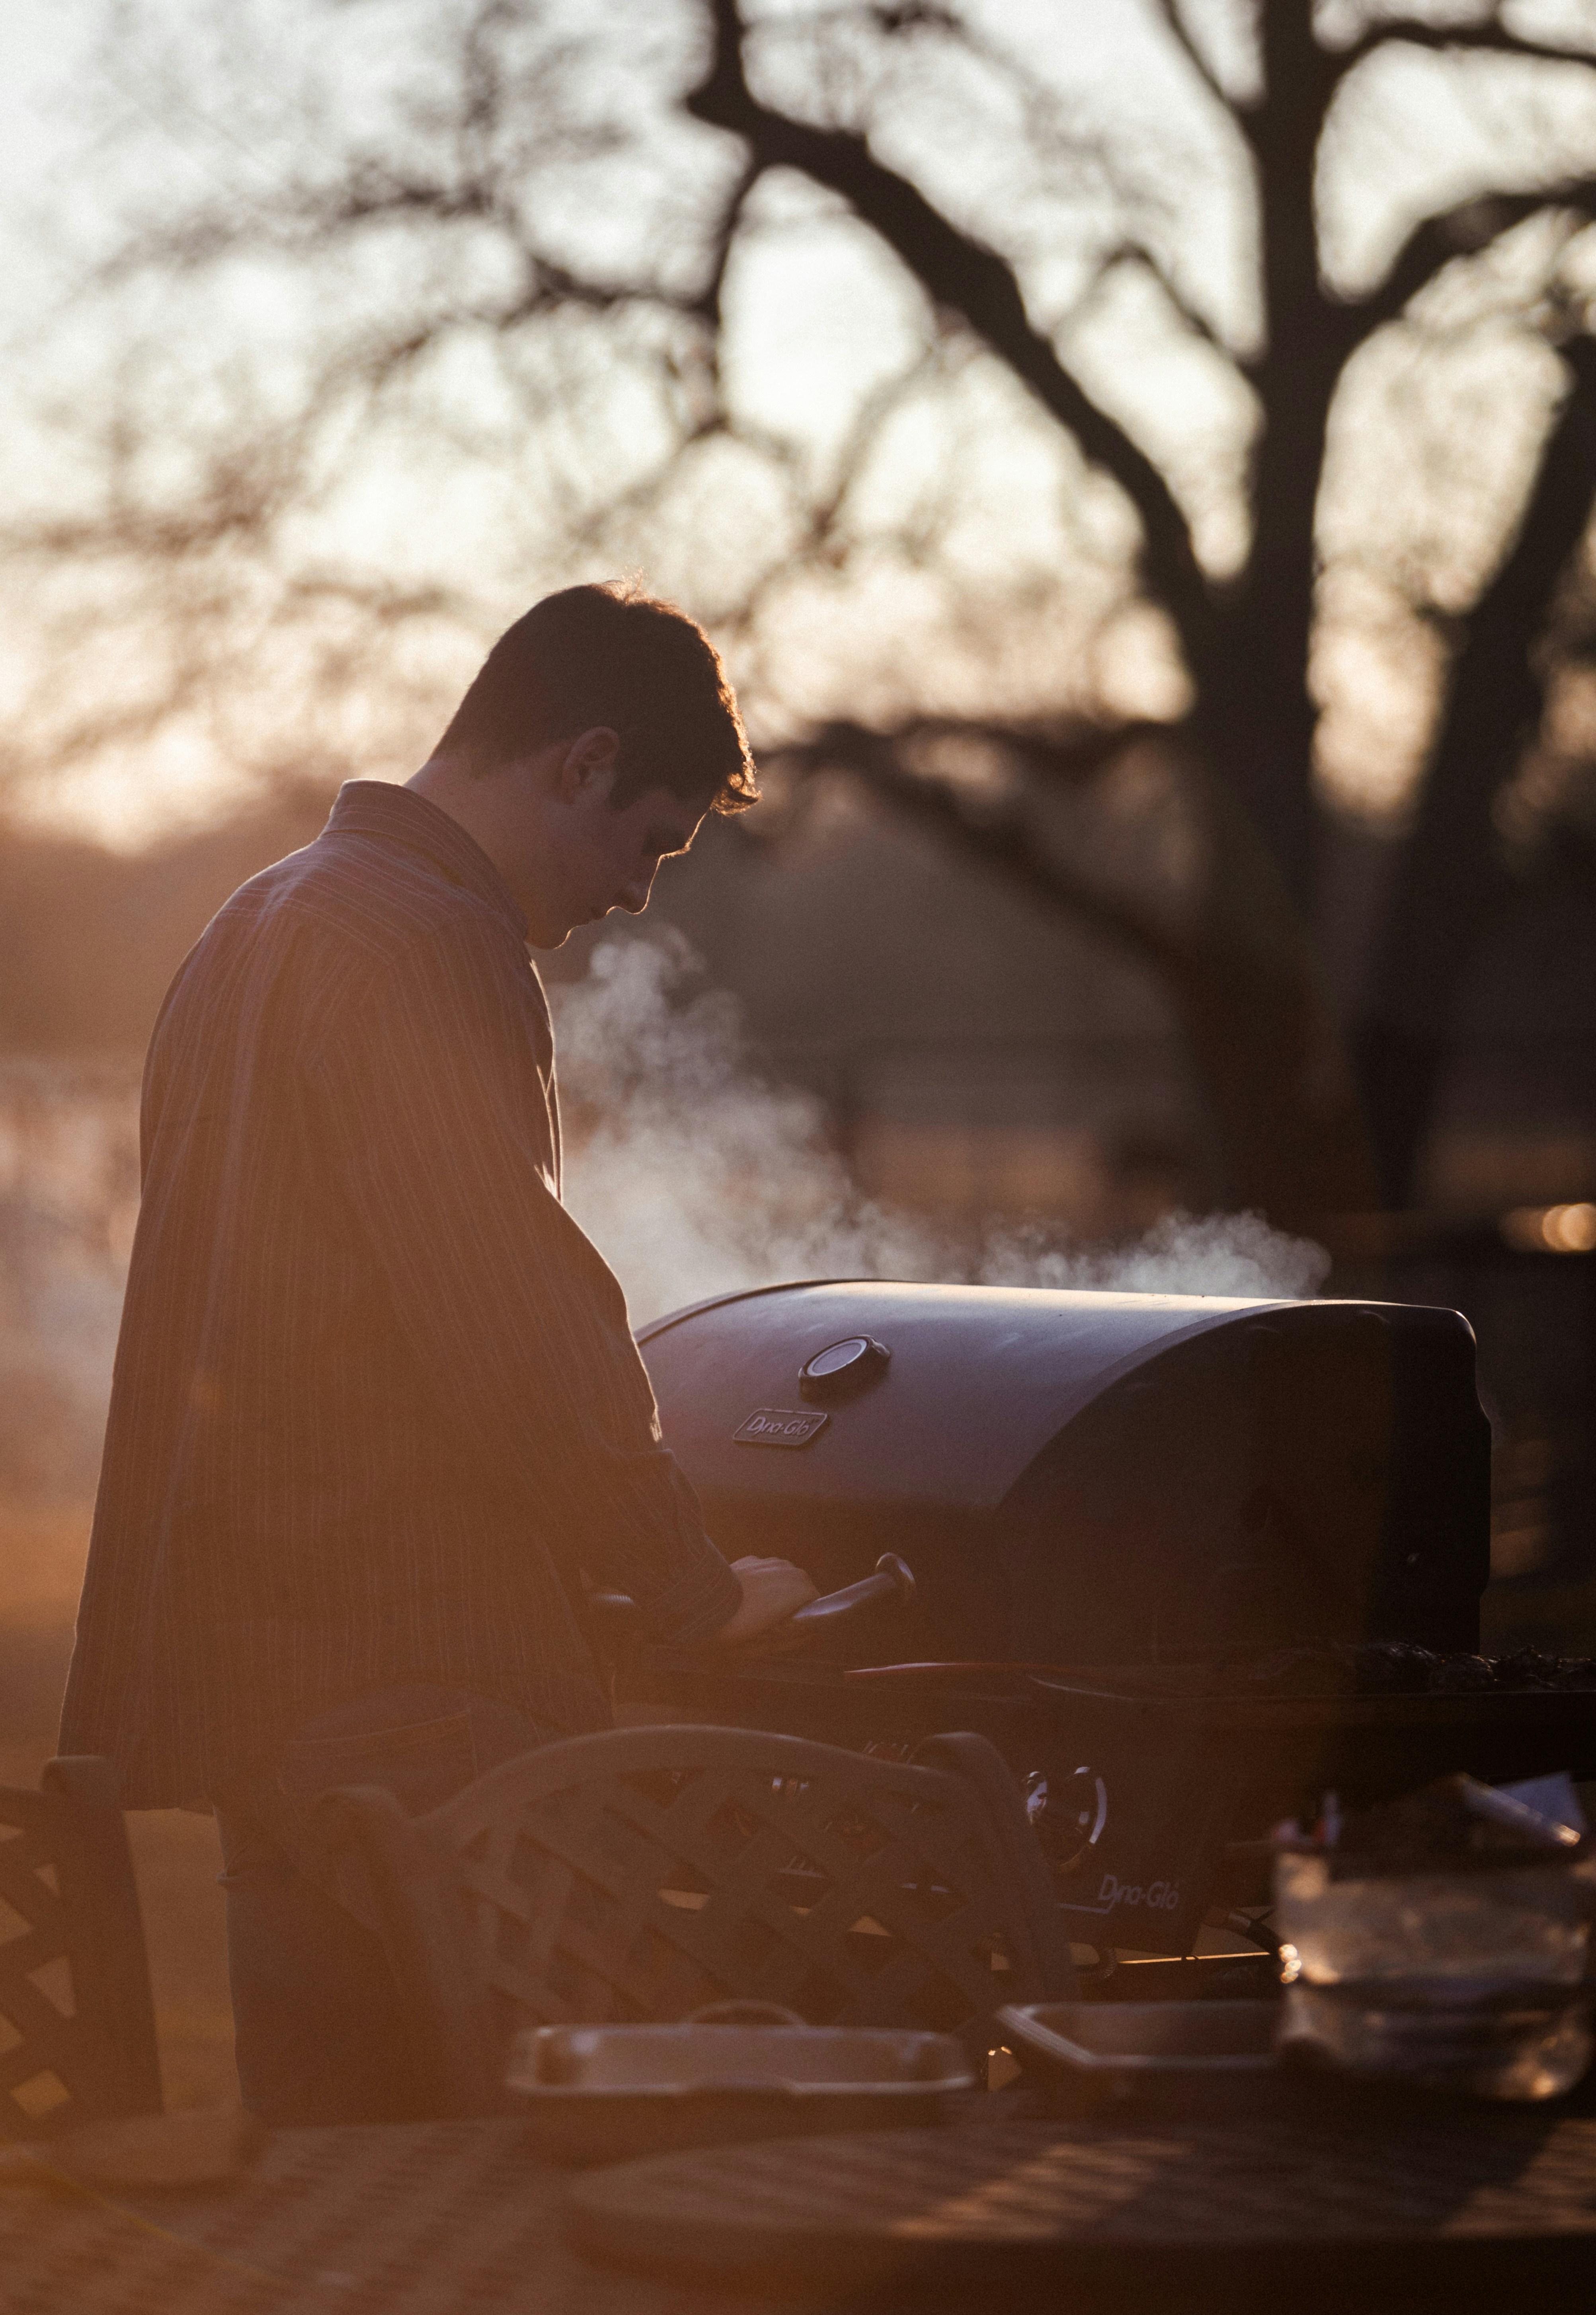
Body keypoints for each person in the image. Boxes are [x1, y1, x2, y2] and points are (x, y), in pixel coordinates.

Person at [59, 581, 818, 2122]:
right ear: (581, 761)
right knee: (452, 2169)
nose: (635, 894)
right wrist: (688, 1585)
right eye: (648, 840)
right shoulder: (418, 935)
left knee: (321, 2188)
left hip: (237, 1682)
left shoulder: (257, 917)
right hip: (391, 1702)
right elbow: (506, 1318)